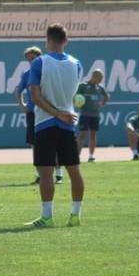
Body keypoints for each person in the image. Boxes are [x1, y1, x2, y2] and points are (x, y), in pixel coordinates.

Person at [25, 23, 85, 228]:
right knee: (74, 171)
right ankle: (75, 215)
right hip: (69, 124)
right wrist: (65, 111)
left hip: (45, 123)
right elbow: (75, 94)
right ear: (66, 41)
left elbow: (35, 95)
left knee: (46, 172)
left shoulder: (39, 62)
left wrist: (56, 113)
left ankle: (47, 216)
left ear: (47, 40)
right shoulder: (77, 64)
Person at [16, 46, 62, 184]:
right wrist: (22, 105)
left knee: (53, 144)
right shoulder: (27, 74)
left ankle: (59, 175)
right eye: (29, 59)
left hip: (49, 112)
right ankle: (40, 175)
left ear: (40, 57)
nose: (31, 61)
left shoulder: (49, 71)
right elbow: (18, 91)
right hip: (33, 113)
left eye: (33, 58)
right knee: (35, 145)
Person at [75, 69, 110, 162]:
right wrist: (78, 102)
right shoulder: (82, 86)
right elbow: (75, 97)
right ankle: (76, 156)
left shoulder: (100, 87)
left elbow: (107, 96)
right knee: (82, 134)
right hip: (84, 114)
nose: (101, 80)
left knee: (93, 135)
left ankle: (91, 156)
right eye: (99, 78)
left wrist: (102, 103)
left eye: (101, 78)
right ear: (94, 76)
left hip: (95, 115)